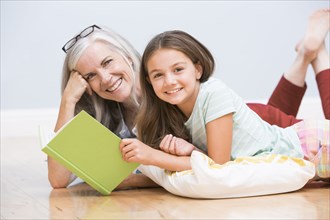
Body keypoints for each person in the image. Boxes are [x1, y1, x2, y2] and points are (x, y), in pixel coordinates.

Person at [48, 9, 330, 189]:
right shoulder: (115, 119)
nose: (105, 78)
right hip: (241, 146)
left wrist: (132, 178)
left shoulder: (172, 94)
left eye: (108, 62)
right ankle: (306, 55)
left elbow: (212, 166)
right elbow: (59, 181)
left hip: (251, 129)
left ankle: (314, 56)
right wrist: (67, 102)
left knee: (303, 123)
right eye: (91, 76)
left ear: (127, 56)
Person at [127, 28, 329, 179]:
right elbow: (220, 161)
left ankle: (318, 56)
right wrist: (192, 151)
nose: (169, 81)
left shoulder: (214, 93)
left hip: (312, 148)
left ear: (198, 70)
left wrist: (151, 156)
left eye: (178, 69)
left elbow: (218, 167)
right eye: (158, 75)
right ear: (149, 81)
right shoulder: (168, 112)